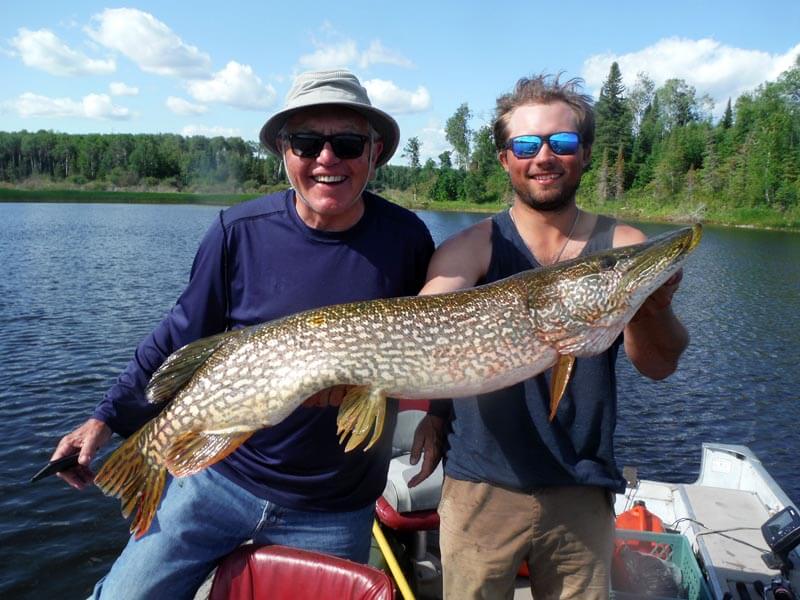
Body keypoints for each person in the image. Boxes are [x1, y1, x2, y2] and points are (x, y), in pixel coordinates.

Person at [49, 69, 435, 600]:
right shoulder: (238, 231)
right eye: (306, 142)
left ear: (373, 153)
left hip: (333, 505)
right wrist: (106, 419)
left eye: (346, 143)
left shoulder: (407, 238)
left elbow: (438, 338)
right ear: (284, 150)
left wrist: (441, 416)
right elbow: (177, 339)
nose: (327, 158)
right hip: (219, 481)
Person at [409, 74, 690, 599]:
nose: (544, 156)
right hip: (480, 486)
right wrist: (437, 411)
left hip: (581, 485)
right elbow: (431, 324)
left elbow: (658, 364)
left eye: (561, 142)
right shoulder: (472, 247)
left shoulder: (620, 246)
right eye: (525, 144)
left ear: (583, 154)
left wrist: (654, 308)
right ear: (504, 158)